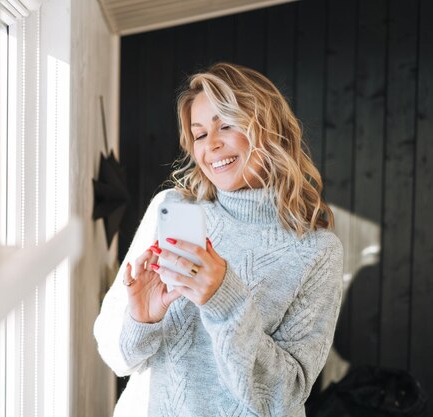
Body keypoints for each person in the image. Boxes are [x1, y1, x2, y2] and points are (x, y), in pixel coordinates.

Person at [93, 62, 344, 417]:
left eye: (226, 124)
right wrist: (142, 321)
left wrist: (225, 301)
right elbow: (116, 356)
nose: (211, 145)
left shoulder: (316, 251)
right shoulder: (171, 208)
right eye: (198, 134)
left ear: (270, 129)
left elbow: (286, 396)